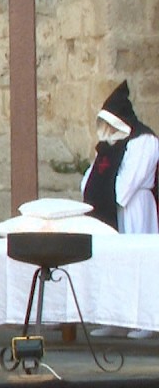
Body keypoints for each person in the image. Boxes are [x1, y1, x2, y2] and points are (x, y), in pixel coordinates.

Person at [81, 81, 159, 339]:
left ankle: (147, 321)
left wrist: (109, 195)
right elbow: (88, 180)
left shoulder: (144, 141)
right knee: (113, 263)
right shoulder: (108, 148)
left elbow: (127, 184)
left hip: (135, 208)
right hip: (110, 211)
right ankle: (115, 318)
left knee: (140, 263)